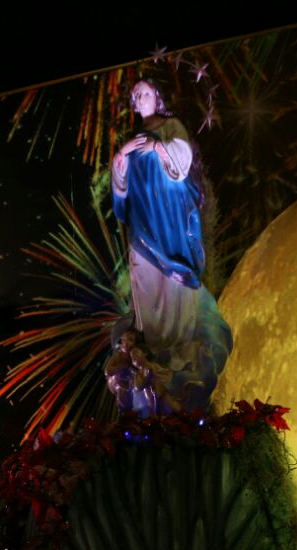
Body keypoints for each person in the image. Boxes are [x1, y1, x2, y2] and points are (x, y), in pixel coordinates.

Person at [107, 80, 232, 417]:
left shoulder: (170, 127)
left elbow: (182, 162)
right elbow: (120, 192)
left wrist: (158, 148)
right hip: (143, 225)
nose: (140, 98)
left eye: (145, 92)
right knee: (143, 277)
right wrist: (121, 158)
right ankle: (151, 349)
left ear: (158, 98)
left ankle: (178, 356)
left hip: (170, 222)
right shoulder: (132, 141)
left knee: (175, 284)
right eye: (136, 95)